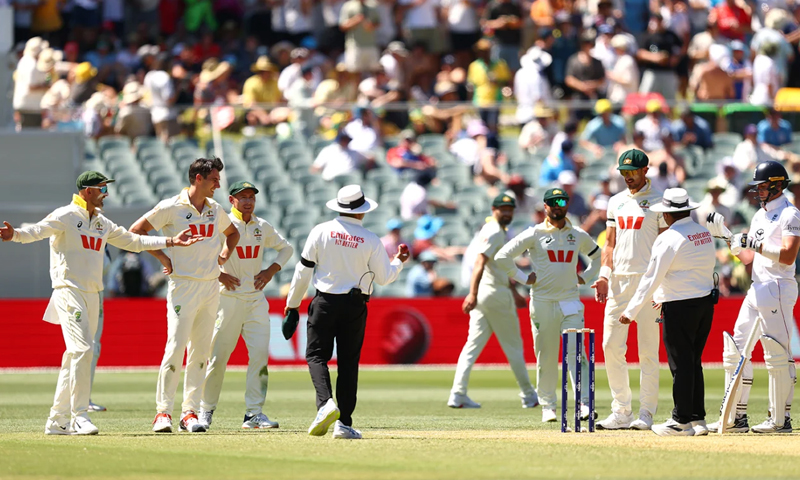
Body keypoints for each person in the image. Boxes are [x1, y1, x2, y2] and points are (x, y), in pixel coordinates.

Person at [0, 171, 201, 435]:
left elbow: (134, 241)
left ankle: (57, 420)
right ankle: (79, 416)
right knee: (83, 349)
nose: (106, 194)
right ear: (87, 191)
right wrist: (14, 235)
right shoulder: (66, 215)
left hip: (93, 294)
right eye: (101, 188)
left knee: (74, 355)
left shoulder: (102, 223)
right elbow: (36, 231)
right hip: (68, 290)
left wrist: (171, 241)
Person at [285, 185, 410, 439]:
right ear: (362, 211)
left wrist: (293, 304)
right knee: (348, 363)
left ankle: (325, 404)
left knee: (317, 356)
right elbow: (385, 278)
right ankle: (344, 423)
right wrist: (399, 261)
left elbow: (303, 271)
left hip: (325, 302)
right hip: (355, 305)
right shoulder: (371, 239)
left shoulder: (320, 231)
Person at [129, 158, 241, 434]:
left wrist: (224, 256)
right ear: (198, 178)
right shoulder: (171, 207)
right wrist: (163, 255)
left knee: (201, 352)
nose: (218, 184)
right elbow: (136, 231)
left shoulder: (215, 209)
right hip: (183, 287)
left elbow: (233, 234)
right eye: (214, 179)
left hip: (210, 287)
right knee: (176, 347)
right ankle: (162, 413)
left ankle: (189, 413)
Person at [707, 161, 800, 434]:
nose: (757, 191)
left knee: (777, 353)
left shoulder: (790, 213)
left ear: (775, 184)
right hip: (757, 286)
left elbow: (788, 255)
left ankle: (780, 419)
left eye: (761, 186)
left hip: (778, 286)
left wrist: (754, 244)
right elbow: (749, 257)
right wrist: (726, 236)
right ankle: (737, 418)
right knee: (734, 349)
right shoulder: (760, 216)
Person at [496, 188, 602, 423]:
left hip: (570, 301)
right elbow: (502, 256)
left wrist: (586, 277)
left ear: (567, 204)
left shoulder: (577, 234)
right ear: (545, 206)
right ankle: (548, 405)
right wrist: (524, 279)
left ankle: (584, 403)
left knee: (577, 353)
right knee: (546, 356)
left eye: (562, 201)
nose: (557, 205)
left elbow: (598, 256)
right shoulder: (534, 233)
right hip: (543, 302)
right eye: (552, 202)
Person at [198, 182, 294, 430]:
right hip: (227, 299)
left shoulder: (261, 226)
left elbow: (286, 248)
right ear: (232, 200)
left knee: (260, 356)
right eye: (243, 197)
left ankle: (254, 413)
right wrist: (220, 276)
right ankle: (205, 410)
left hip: (255, 301)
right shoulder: (222, 226)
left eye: (251, 197)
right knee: (218, 359)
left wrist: (270, 271)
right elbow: (201, 256)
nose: (248, 201)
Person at [620, 188, 716, 436]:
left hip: (680, 306)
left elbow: (651, 278)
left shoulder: (668, 238)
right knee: (693, 362)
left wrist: (630, 311)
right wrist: (663, 296)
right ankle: (697, 419)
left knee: (681, 364)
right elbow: (691, 270)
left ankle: (681, 422)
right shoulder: (703, 233)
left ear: (668, 214)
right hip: (705, 304)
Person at [591, 149, 667, 431]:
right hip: (619, 283)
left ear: (645, 170)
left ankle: (646, 412)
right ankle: (621, 411)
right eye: (623, 173)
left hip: (648, 282)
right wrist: (603, 276)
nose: (627, 177)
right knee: (610, 345)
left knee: (648, 350)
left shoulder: (660, 202)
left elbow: (665, 246)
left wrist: (662, 286)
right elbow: (609, 244)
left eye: (632, 172)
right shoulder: (616, 201)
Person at [449, 194, 538, 409]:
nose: (507, 213)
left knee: (472, 346)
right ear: (493, 209)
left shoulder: (495, 230)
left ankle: (458, 394)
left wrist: (514, 292)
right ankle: (529, 395)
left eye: (510, 209)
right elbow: (479, 263)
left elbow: (497, 268)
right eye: (502, 209)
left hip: (488, 294)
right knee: (514, 346)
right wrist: (471, 293)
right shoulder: (495, 231)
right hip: (494, 295)